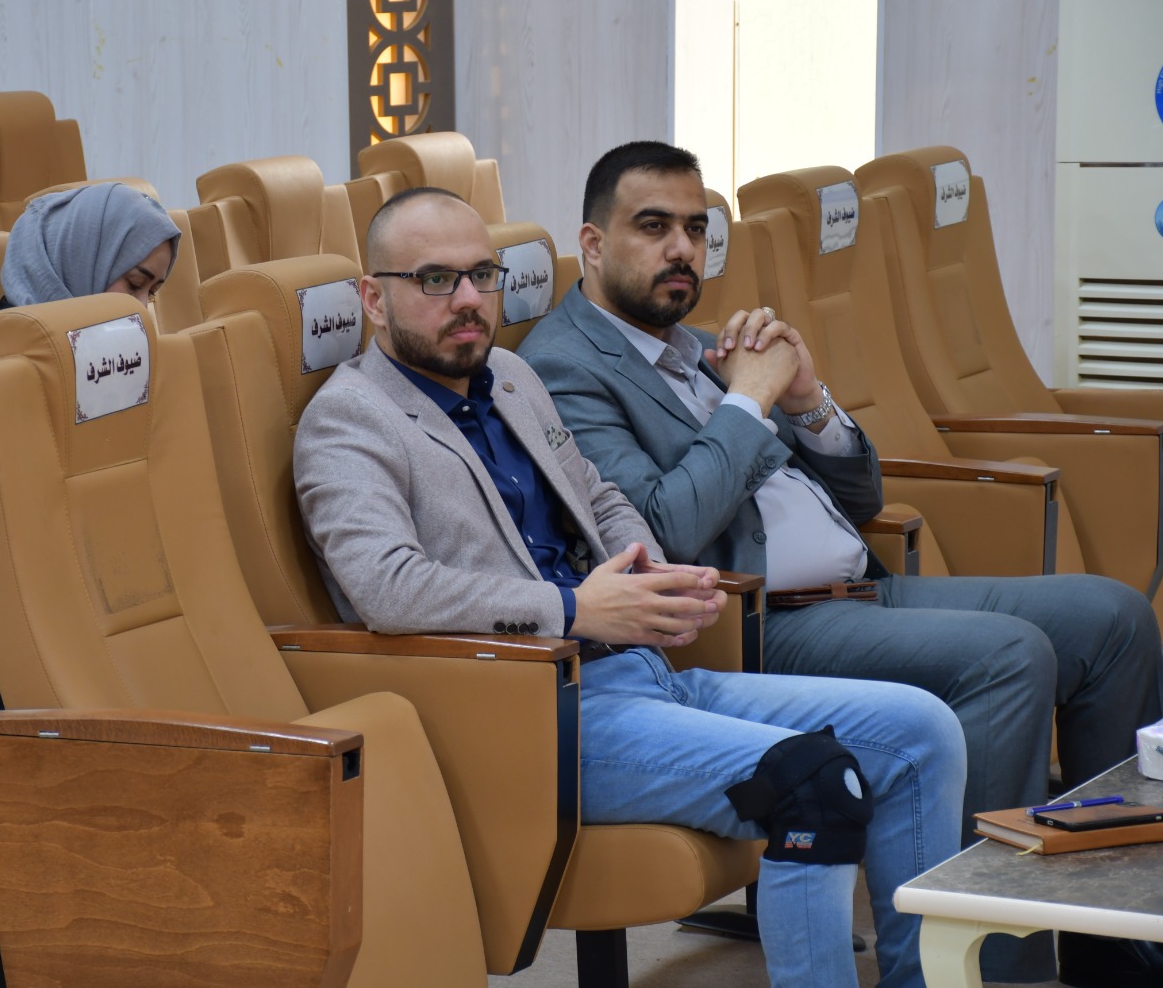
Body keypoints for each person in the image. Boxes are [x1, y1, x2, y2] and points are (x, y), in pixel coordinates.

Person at [516, 140, 1163, 985]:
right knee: (1009, 657)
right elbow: (658, 533)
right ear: (593, 245)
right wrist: (749, 398)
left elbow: (862, 496)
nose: (682, 249)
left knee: (1114, 619)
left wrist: (808, 400)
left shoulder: (701, 346)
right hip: (759, 624)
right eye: (653, 227)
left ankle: (1105, 937)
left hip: (863, 588)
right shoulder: (563, 368)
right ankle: (983, 963)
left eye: (696, 229)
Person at [294, 186, 966, 988]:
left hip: (642, 675)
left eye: (483, 275)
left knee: (923, 732)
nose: (469, 300)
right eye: (436, 280)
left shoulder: (510, 376)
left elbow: (598, 493)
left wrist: (647, 572)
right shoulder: (349, 419)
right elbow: (386, 588)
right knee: (813, 784)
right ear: (373, 299)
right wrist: (576, 609)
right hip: (532, 716)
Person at [0, 181, 181, 373]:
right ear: (82, 260)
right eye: (134, 284)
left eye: (151, 293)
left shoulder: (116, 352)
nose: (142, 308)